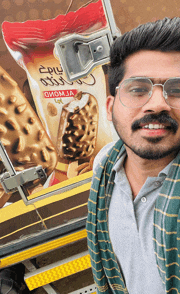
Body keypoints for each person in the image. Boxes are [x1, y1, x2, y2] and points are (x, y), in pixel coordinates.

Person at [86, 17, 180, 294]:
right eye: (138, 90)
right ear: (110, 107)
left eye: (176, 90)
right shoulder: (104, 167)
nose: (157, 104)